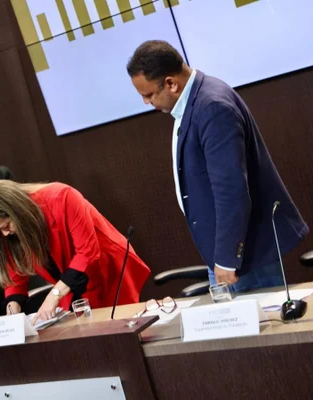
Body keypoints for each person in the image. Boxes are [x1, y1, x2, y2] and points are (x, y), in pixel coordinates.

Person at [127, 40, 309, 292]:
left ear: (171, 83)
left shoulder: (212, 106)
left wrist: (226, 258)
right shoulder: (195, 101)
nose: (146, 102)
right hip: (227, 252)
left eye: (149, 95)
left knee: (263, 319)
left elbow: (231, 189)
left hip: (244, 257)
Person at [0, 180, 151, 322]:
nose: (5, 233)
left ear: (17, 211)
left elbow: (87, 253)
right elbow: (15, 276)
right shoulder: (7, 233)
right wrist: (13, 310)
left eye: (6, 225)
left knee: (119, 327)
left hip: (105, 271)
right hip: (70, 282)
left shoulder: (62, 197)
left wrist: (54, 295)